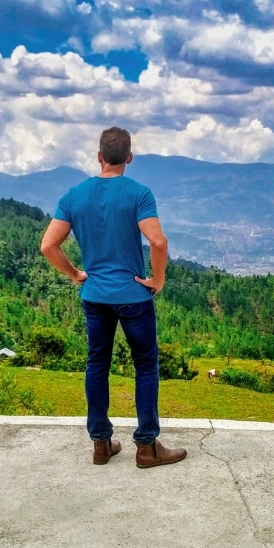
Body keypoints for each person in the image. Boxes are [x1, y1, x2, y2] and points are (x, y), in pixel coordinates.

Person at [40, 127, 187, 469]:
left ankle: (101, 444)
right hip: (134, 296)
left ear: (99, 156)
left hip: (95, 297)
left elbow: (48, 245)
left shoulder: (74, 195)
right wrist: (158, 280)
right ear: (129, 158)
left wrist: (76, 274)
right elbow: (159, 242)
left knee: (97, 365)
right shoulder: (139, 194)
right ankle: (147, 448)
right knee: (146, 366)